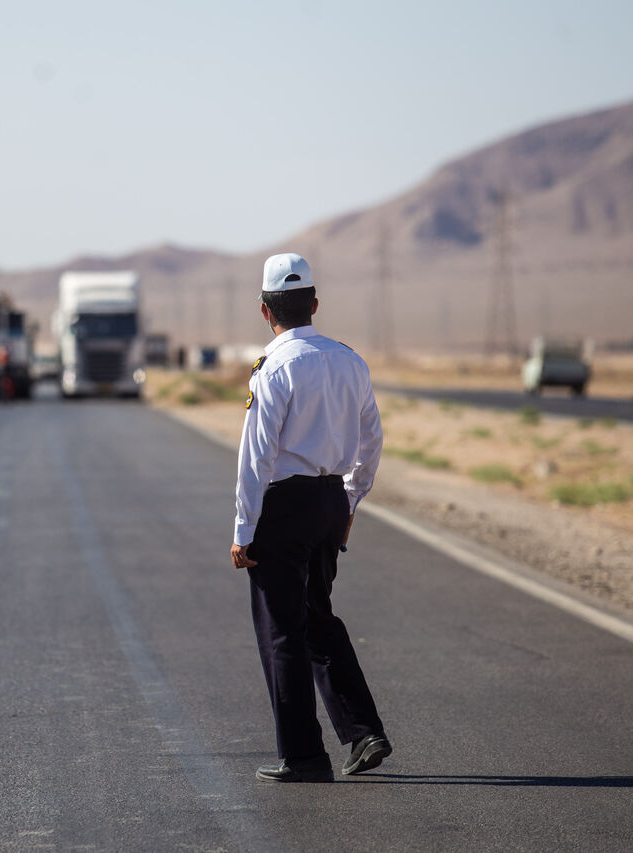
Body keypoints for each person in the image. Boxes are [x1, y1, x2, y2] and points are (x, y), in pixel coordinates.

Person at [230, 252, 390, 784]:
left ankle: (302, 756)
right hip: (329, 501)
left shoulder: (273, 368)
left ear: (264, 310)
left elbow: (257, 457)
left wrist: (242, 531)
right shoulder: (348, 359)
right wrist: (351, 500)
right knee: (318, 619)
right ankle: (363, 731)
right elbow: (371, 438)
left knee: (282, 631)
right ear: (315, 304)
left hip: (284, 507)